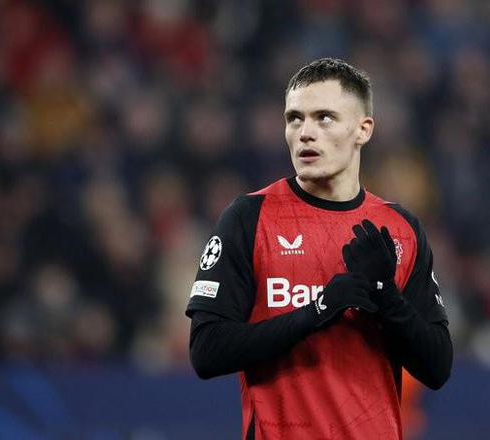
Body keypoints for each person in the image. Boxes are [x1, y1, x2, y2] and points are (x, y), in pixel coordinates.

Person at [186, 58, 452, 440]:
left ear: (363, 130)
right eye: (294, 119)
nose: (305, 133)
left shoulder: (400, 230)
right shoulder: (249, 218)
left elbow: (437, 367)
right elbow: (207, 351)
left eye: (324, 118)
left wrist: (385, 297)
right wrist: (319, 310)